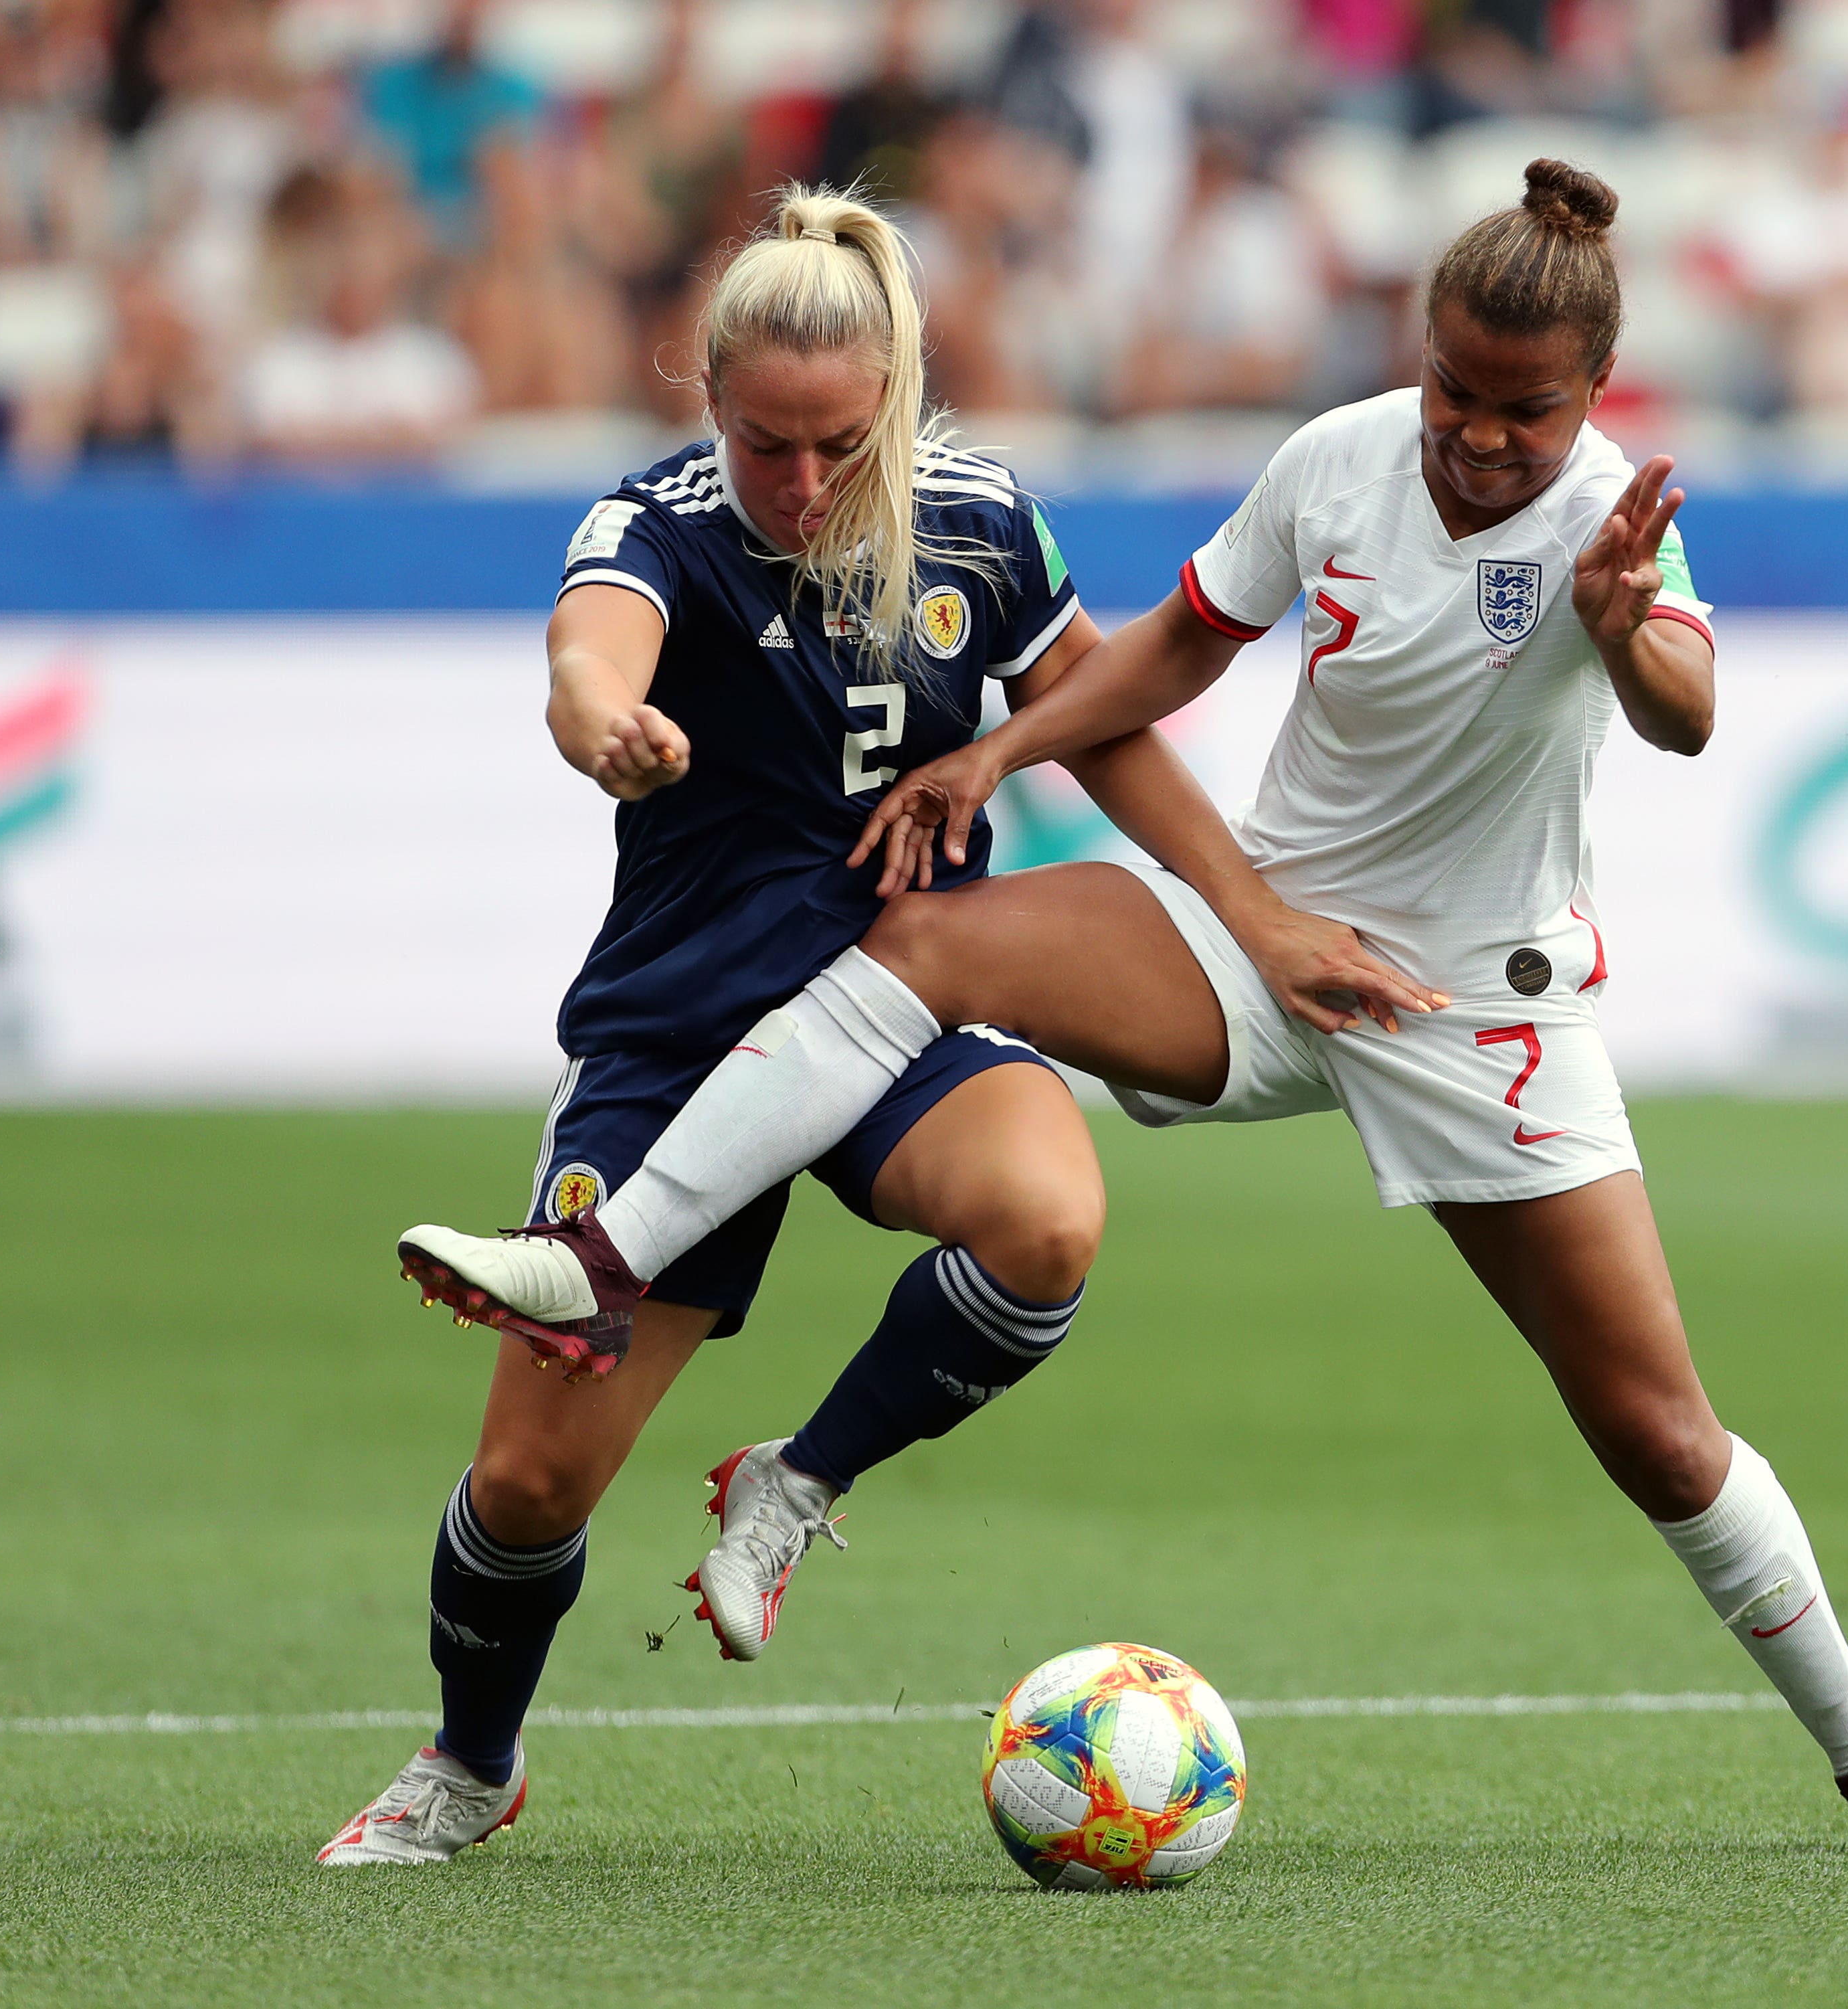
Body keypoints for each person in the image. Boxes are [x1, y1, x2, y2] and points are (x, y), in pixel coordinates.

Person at [408, 161, 1848, 1860]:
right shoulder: (1336, 458)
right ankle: (633, 1305)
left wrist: (1623, 633)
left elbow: (1683, 710)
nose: (1475, 437)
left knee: (1649, 1424)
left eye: (1519, 413)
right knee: (940, 945)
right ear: (1419, 351)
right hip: (1252, 941)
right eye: (1453, 391)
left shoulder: (1612, 518)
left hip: (1476, 1006)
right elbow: (1171, 645)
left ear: (1590, 396)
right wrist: (999, 754)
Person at [320, 185, 1393, 1866]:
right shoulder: (656, 524)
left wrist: (1251, 914)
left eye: (838, 444)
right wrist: (604, 721)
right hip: (682, 1049)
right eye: (765, 445)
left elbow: (1104, 721)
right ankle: (472, 1759)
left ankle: (795, 1484)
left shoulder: (978, 519)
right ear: (708, 408)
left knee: (1047, 1218)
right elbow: (583, 657)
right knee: (531, 1489)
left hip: (907, 1003)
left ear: (893, 404)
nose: (804, 484)